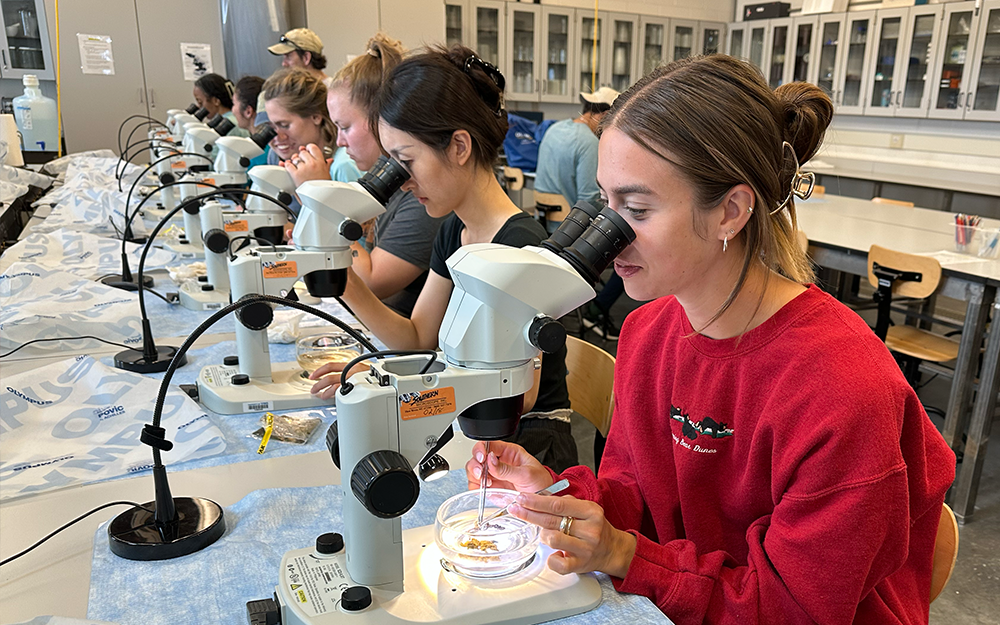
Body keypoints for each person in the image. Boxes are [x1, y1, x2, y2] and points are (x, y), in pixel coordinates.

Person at [464, 55, 955, 624]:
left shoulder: (843, 390)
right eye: (605, 202)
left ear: (729, 211)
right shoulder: (649, 332)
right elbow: (636, 490)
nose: (608, 234)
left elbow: (794, 609)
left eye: (637, 209)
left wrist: (627, 554)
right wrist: (553, 494)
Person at [309, 45, 578, 472]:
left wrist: (394, 387)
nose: (400, 182)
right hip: (476, 434)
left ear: (458, 146)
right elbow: (417, 336)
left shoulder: (521, 247)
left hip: (528, 447)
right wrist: (341, 280)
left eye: (406, 161)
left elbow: (513, 395)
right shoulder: (454, 228)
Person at [286, 33, 446, 317]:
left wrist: (323, 208)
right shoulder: (386, 185)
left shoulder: (422, 195)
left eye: (345, 127)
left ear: (381, 119)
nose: (338, 142)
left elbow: (372, 282)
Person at [535, 86, 623, 340]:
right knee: (627, 247)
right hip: (572, 231)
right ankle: (597, 311)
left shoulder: (553, 130)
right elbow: (590, 199)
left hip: (547, 227)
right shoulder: (588, 142)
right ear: (602, 114)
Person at [260, 68, 337, 216]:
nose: (277, 137)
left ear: (315, 116)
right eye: (271, 127)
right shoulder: (275, 156)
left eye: (284, 125)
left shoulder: (342, 164)